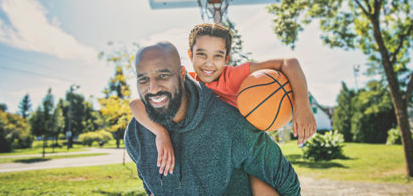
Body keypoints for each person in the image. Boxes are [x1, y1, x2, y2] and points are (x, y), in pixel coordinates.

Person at [131, 23, 316, 195]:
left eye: (217, 56)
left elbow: (288, 62)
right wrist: (160, 133)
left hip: (248, 138)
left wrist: (302, 107)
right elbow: (135, 104)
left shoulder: (232, 77)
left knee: (257, 180)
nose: (209, 63)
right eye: (202, 54)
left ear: (226, 58)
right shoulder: (191, 82)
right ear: (190, 55)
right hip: (234, 145)